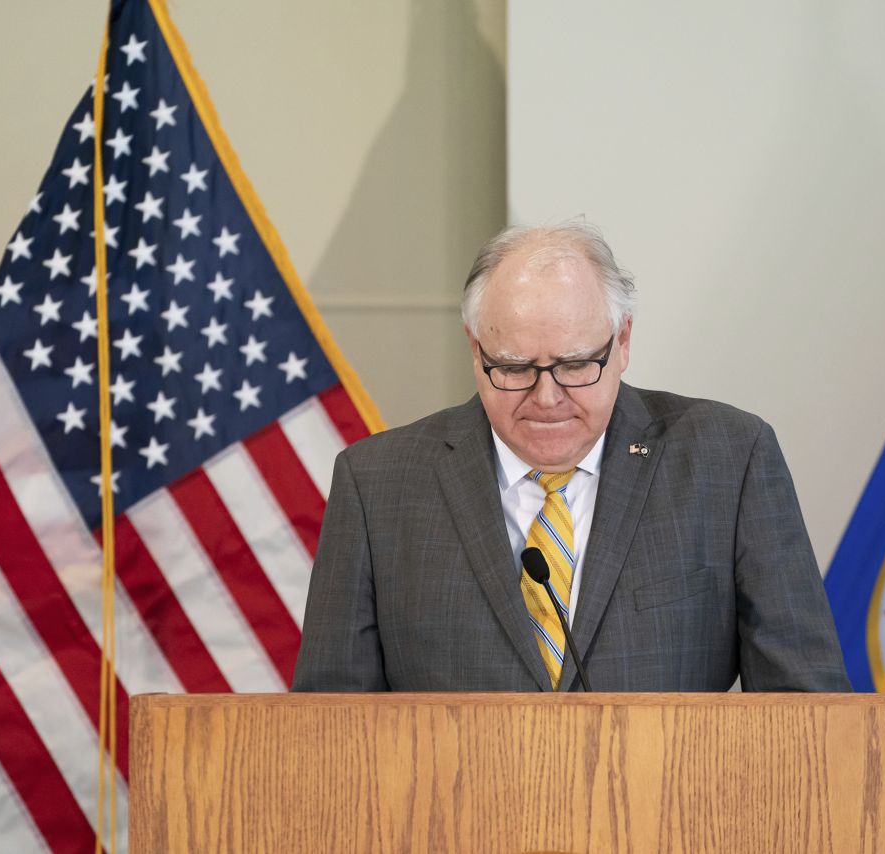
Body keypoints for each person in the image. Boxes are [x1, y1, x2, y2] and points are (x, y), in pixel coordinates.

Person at [292, 221, 850, 692]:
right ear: (473, 347)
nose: (547, 397)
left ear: (623, 340)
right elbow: (330, 733)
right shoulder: (378, 485)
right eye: (512, 367)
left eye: (577, 364)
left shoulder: (728, 460)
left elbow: (807, 709)